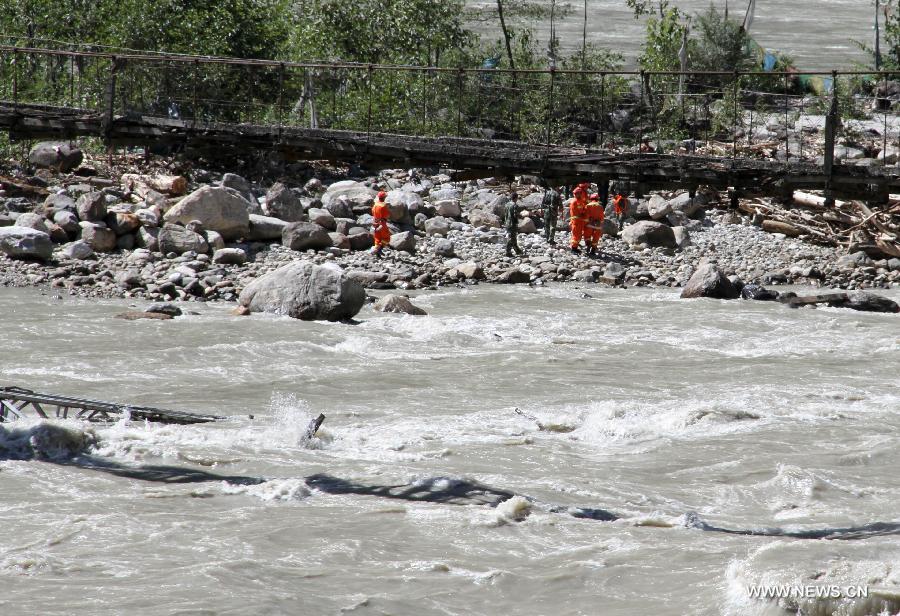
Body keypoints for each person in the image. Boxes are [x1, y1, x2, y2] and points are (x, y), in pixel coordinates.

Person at [568, 185, 589, 254]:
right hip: (576, 221)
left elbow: (582, 209)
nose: (579, 194)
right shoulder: (574, 202)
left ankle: (575, 247)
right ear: (575, 194)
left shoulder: (580, 201)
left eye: (580, 193)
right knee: (576, 235)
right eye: (578, 193)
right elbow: (575, 212)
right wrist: (582, 214)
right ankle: (573, 249)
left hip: (580, 221)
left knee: (579, 235)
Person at [371, 191, 391, 258]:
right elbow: (386, 215)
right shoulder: (383, 206)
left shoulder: (375, 204)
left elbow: (373, 213)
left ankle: (378, 254)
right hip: (382, 224)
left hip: (375, 223)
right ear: (384, 197)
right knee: (386, 239)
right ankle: (378, 249)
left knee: (377, 238)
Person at [505, 192, 524, 257]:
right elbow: (515, 215)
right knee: (511, 237)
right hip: (512, 223)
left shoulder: (507, 204)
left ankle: (517, 250)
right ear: (515, 198)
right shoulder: (514, 205)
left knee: (513, 237)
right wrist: (521, 216)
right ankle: (508, 252)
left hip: (507, 223)